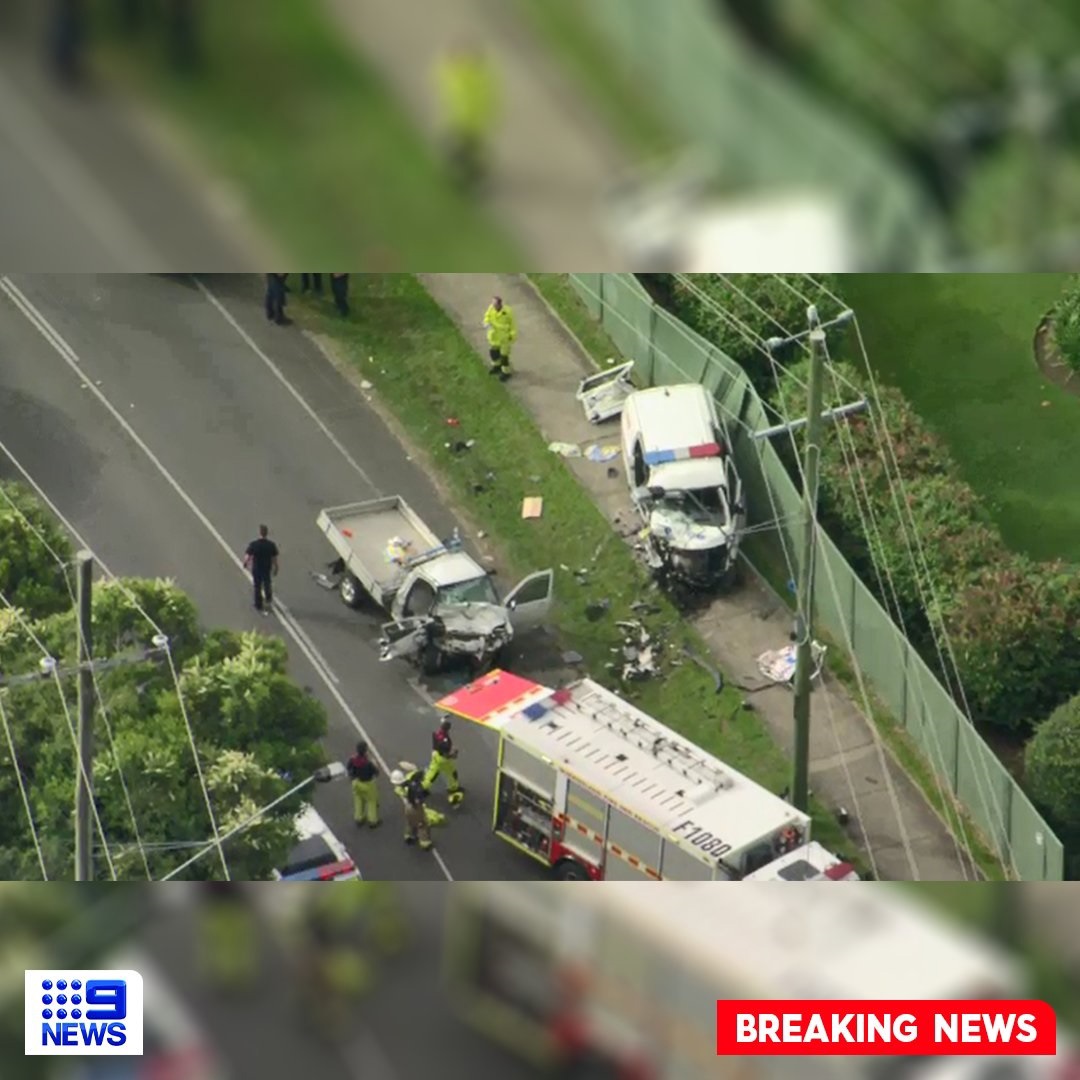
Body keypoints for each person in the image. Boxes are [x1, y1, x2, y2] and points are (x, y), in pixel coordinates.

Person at [436, 44, 498, 190]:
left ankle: (472, 178)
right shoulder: (460, 74)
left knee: (465, 153)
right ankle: (470, 177)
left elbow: (484, 101)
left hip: (470, 123)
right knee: (463, 153)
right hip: (461, 122)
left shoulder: (475, 77)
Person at [390, 766, 434, 850]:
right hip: (415, 807)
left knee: (410, 822)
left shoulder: (402, 787)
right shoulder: (414, 786)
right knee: (422, 824)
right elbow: (418, 799)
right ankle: (425, 843)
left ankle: (409, 835)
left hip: (407, 807)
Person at [423, 718, 464, 805]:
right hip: (443, 760)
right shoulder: (445, 741)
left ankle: (423, 787)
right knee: (452, 773)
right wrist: (453, 754)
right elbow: (446, 754)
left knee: (432, 773)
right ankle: (453, 788)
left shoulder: (437, 733)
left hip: (435, 755)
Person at [243, 524, 279, 615]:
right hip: (266, 568)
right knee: (267, 583)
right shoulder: (271, 545)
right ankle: (268, 598)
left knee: (257, 586)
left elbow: (248, 555)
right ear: (267, 533)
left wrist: (245, 563)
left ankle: (258, 604)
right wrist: (276, 568)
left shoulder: (254, 544)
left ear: (260, 533)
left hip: (257, 569)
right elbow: (274, 558)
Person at [346, 740, 380, 829]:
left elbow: (348, 768)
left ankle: (359, 818)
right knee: (371, 801)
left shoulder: (352, 759)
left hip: (356, 783)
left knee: (358, 800)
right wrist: (375, 764)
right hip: (367, 784)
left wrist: (352, 777)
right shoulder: (368, 763)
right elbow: (376, 773)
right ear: (365, 750)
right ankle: (372, 821)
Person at [482, 295, 516, 380]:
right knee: (494, 353)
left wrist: (512, 335)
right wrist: (486, 323)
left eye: (495, 304)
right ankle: (497, 366)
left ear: (500, 304)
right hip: (494, 336)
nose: (493, 306)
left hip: (504, 337)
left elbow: (513, 325)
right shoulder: (491, 308)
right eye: (493, 304)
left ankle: (506, 372)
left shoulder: (508, 312)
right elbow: (487, 316)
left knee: (504, 356)